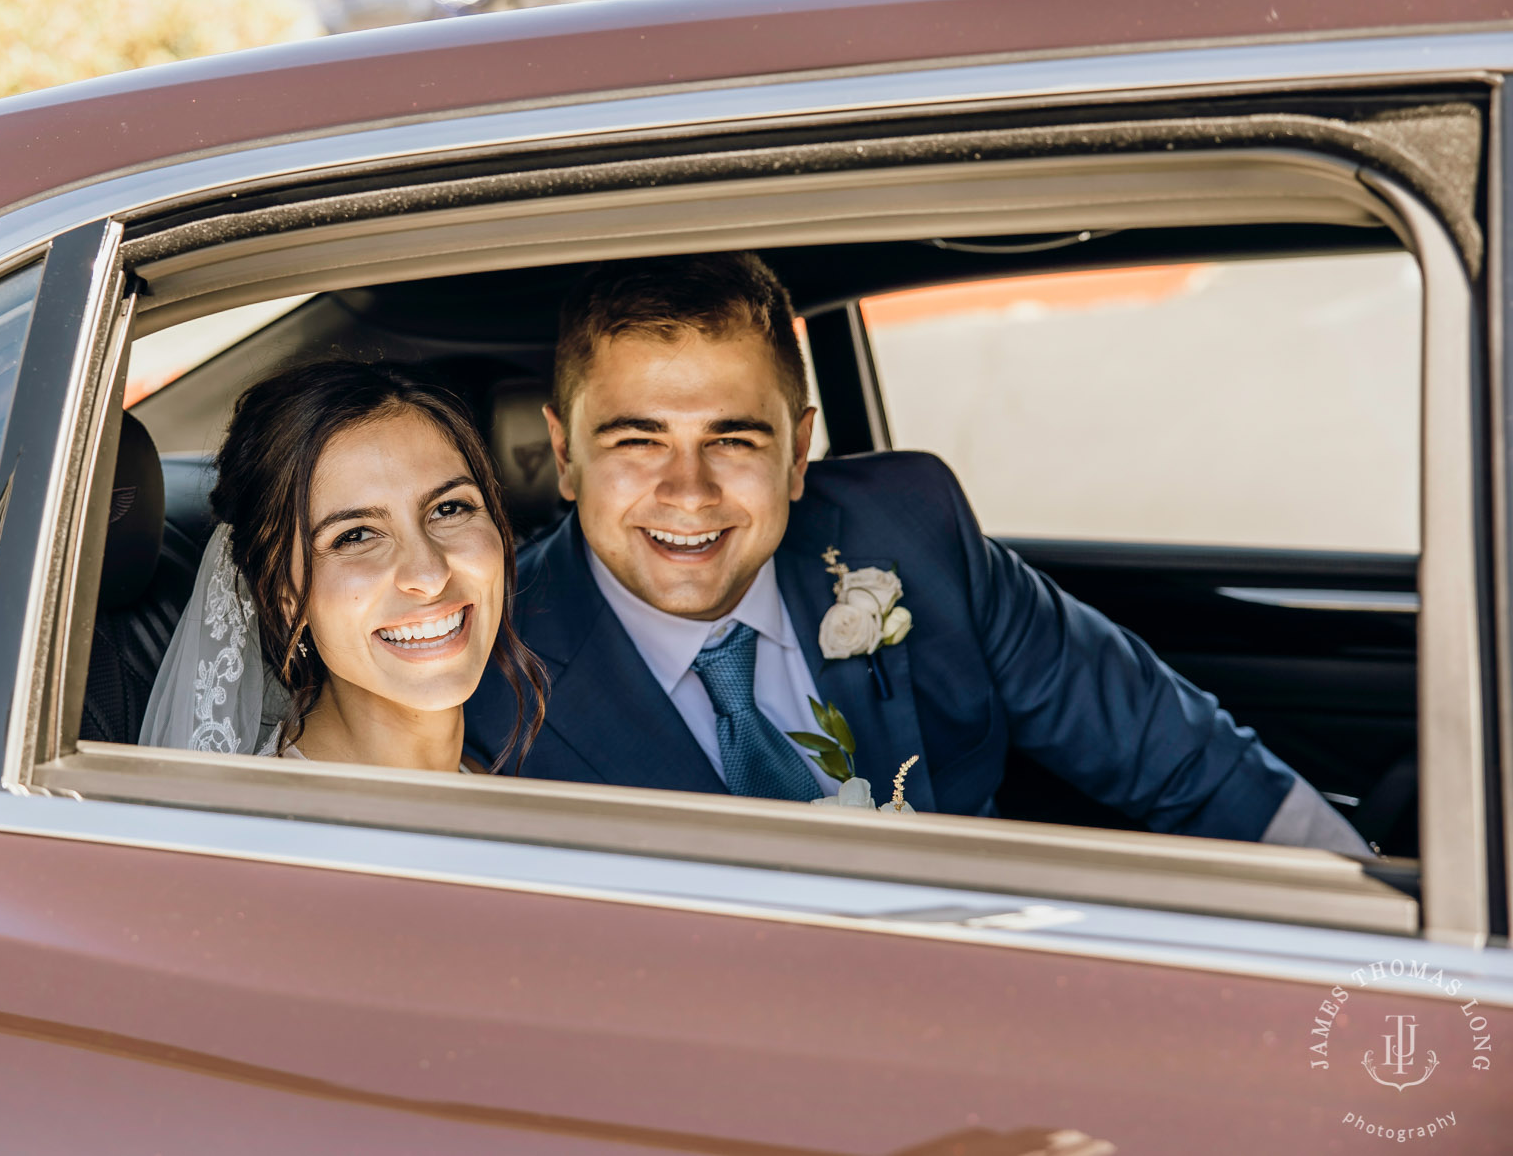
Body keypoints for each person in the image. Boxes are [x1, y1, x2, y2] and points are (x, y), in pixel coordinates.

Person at [465, 251, 1367, 851]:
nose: (690, 490)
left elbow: (1176, 755)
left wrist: (1385, 946)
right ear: (567, 454)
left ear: (798, 449)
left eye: (734, 439)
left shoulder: (909, 529)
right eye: (637, 441)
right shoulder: (487, 675)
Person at [140, 359, 545, 772]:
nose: (429, 574)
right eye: (355, 535)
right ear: (283, 594)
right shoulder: (269, 829)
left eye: (449, 508)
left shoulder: (479, 780)